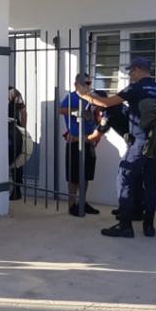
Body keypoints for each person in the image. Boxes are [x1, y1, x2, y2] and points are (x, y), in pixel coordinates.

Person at [77, 58, 156, 238]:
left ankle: (125, 226)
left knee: (124, 178)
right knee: (150, 183)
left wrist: (84, 95)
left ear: (138, 69)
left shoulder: (135, 88)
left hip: (139, 142)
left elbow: (106, 103)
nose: (130, 74)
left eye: (131, 71)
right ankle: (148, 227)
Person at [60, 74, 104, 216]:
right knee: (73, 176)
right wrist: (77, 111)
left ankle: (82, 203)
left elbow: (98, 114)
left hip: (88, 141)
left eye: (89, 83)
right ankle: (72, 205)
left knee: (86, 175)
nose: (88, 86)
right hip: (74, 142)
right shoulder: (71, 97)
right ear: (76, 85)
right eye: (85, 83)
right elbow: (61, 110)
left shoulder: (91, 98)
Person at [8, 85, 28, 200]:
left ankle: (16, 189)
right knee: (16, 160)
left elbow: (23, 111)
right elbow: (23, 111)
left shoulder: (12, 92)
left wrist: (23, 130)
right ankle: (16, 189)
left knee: (15, 160)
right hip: (13, 127)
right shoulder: (14, 92)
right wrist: (23, 130)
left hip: (11, 128)